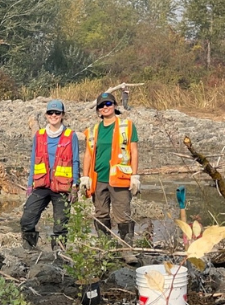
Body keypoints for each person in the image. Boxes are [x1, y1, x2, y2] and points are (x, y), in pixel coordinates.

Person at [80, 92, 140, 253]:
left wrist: (135, 176)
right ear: (98, 110)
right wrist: (85, 177)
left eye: (108, 104)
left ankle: (127, 250)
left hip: (120, 178)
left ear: (114, 106)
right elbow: (88, 154)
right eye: (101, 105)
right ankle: (105, 248)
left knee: (123, 215)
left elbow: (133, 151)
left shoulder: (126, 126)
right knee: (101, 214)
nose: (105, 107)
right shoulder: (93, 130)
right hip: (98, 178)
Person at [20, 100, 80, 252]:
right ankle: (29, 250)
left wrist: (75, 185)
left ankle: (58, 255)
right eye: (51, 113)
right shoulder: (39, 135)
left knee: (60, 224)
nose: (54, 116)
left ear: (62, 115)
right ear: (46, 115)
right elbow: (34, 159)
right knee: (27, 218)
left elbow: (75, 161)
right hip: (42, 184)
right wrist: (29, 184)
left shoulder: (70, 135)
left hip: (62, 186)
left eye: (57, 113)